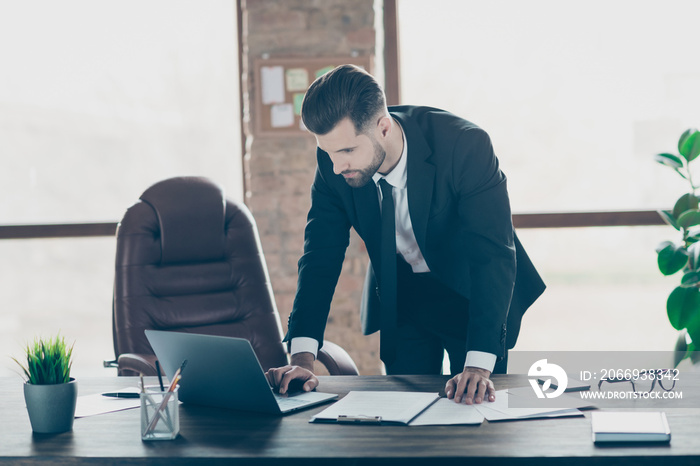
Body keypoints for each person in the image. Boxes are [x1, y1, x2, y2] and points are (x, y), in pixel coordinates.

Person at [265, 64, 545, 404]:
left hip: (471, 293)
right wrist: (302, 358)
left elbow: (493, 256)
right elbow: (320, 255)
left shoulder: (464, 145)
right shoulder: (333, 163)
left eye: (347, 151)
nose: (337, 167)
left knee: (476, 412)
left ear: (383, 128)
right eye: (328, 152)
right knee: (403, 417)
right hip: (403, 296)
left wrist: (480, 365)